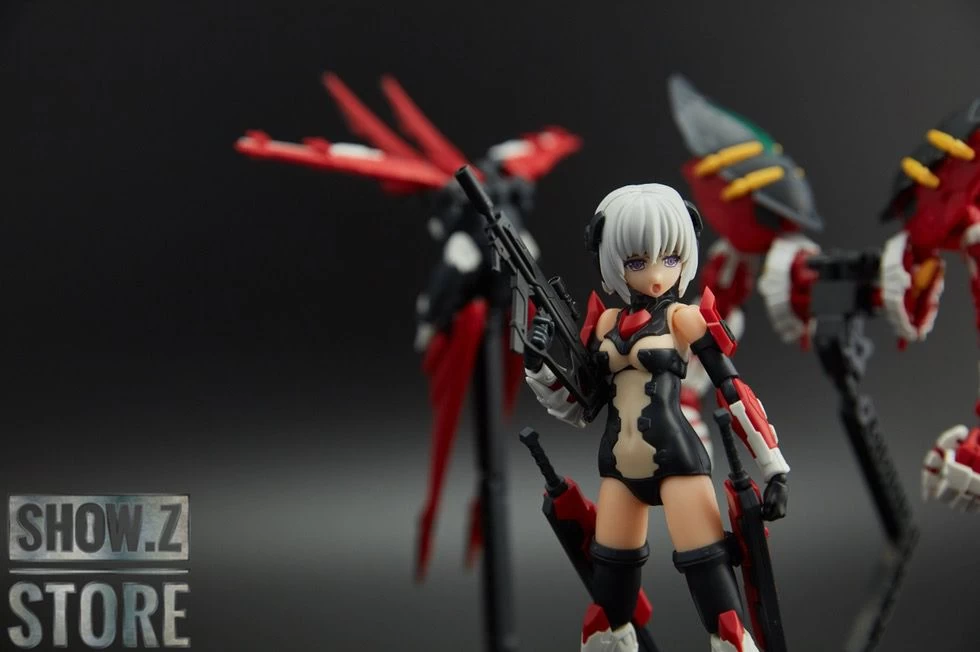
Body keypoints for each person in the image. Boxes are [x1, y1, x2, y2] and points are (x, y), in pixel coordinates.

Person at [524, 183, 789, 652]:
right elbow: (578, 407)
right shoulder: (603, 324)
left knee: (713, 588)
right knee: (609, 604)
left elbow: (732, 388)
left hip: (677, 464)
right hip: (619, 469)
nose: (656, 274)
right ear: (613, 260)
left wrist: (773, 467)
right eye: (636, 261)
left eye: (670, 258)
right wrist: (539, 365)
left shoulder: (685, 318)